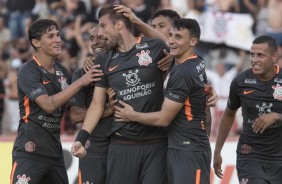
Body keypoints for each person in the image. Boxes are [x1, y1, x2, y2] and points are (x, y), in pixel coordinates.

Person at [71, 4, 168, 184]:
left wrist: (136, 20)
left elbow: (172, 46)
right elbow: (96, 105)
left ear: (119, 25)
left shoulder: (153, 46)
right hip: (122, 144)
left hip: (156, 143)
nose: (100, 33)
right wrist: (81, 138)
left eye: (103, 25)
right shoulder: (103, 59)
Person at [114, 18, 211, 184]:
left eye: (178, 37)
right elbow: (162, 40)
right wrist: (135, 20)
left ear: (193, 41)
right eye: (171, 35)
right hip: (182, 146)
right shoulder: (192, 60)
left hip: (188, 149)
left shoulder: (183, 72)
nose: (171, 41)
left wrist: (132, 115)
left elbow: (164, 119)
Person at [10, 19, 100, 184]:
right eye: (51, 36)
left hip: (55, 155)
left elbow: (74, 113)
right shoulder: (28, 70)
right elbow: (49, 105)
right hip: (30, 152)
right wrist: (80, 82)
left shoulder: (63, 72)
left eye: (58, 35)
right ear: (36, 42)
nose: (58, 40)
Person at [213, 35, 282, 184]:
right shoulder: (241, 81)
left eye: (260, 55)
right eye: (252, 54)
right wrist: (218, 151)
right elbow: (229, 114)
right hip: (250, 154)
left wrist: (277, 116)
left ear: (274, 57)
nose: (254, 60)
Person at [69, 26, 114, 184]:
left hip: (122, 147)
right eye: (92, 39)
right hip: (92, 148)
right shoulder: (82, 74)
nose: (95, 42)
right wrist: (107, 110)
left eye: (100, 37)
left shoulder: (125, 68)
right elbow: (74, 116)